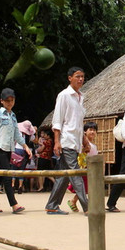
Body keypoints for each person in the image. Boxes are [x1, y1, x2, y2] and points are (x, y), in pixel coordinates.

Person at [45, 67, 89, 215]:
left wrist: (84, 141)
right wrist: (57, 142)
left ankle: (52, 205)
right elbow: (57, 121)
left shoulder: (81, 97)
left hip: (75, 142)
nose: (81, 79)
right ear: (70, 78)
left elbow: (78, 123)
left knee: (64, 176)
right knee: (76, 173)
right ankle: (88, 206)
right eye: (77, 76)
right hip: (67, 140)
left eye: (82, 77)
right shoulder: (64, 95)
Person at [0, 88, 29, 214]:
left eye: (12, 100)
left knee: (0, 177)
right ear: (2, 101)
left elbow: (17, 134)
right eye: (7, 100)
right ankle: (14, 205)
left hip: (9, 149)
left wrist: (25, 146)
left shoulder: (13, 116)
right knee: (7, 176)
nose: (10, 103)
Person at [67, 122, 98, 212]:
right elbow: (80, 154)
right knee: (83, 188)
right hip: (84, 168)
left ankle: (74, 201)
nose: (92, 132)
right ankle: (74, 201)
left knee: (86, 188)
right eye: (90, 130)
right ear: (85, 132)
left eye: (94, 130)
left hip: (91, 169)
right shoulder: (83, 143)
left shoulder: (94, 146)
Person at [35, 127, 54, 192]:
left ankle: (41, 186)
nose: (44, 136)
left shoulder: (45, 142)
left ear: (48, 136)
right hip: (48, 158)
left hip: (43, 158)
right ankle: (54, 182)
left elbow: (40, 150)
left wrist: (39, 147)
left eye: (45, 135)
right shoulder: (52, 141)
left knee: (40, 172)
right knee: (47, 173)